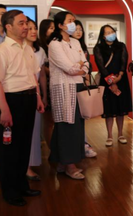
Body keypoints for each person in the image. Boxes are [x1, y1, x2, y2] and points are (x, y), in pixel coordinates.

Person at [0, 10, 45, 207]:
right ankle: (10, 192)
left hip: (28, 99)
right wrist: (4, 110)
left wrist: (38, 97)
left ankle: (22, 186)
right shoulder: (1, 51)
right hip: (10, 101)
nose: (26, 27)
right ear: (8, 27)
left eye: (26, 23)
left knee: (23, 145)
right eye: (21, 23)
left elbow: (33, 76)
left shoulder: (27, 48)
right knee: (9, 150)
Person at [47, 11, 89, 180]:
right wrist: (79, 66)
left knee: (77, 125)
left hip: (77, 86)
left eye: (74, 20)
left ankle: (62, 162)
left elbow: (86, 64)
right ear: (60, 25)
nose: (73, 24)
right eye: (70, 21)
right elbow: (69, 68)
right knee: (66, 125)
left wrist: (81, 67)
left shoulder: (75, 41)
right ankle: (69, 165)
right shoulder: (54, 44)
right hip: (63, 87)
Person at [94, 24, 132, 146]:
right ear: (103, 36)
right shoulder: (98, 48)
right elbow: (100, 65)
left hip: (121, 79)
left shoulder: (121, 46)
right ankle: (109, 135)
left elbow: (124, 61)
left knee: (121, 108)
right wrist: (111, 81)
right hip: (106, 81)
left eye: (112, 31)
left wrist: (120, 76)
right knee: (109, 108)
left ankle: (120, 134)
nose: (111, 34)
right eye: (108, 32)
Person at [25, 18, 48, 182]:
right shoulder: (19, 49)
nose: (33, 31)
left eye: (34, 28)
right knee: (25, 131)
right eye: (29, 28)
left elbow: (42, 76)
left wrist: (44, 95)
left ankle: (31, 163)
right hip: (24, 92)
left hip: (37, 93)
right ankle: (25, 166)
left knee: (35, 130)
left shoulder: (40, 51)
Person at [71, 19, 97, 158]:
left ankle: (84, 144)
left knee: (82, 116)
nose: (78, 32)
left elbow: (87, 66)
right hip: (71, 84)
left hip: (82, 84)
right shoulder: (67, 46)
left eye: (80, 29)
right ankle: (78, 146)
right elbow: (73, 66)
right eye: (76, 29)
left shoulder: (83, 47)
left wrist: (86, 80)